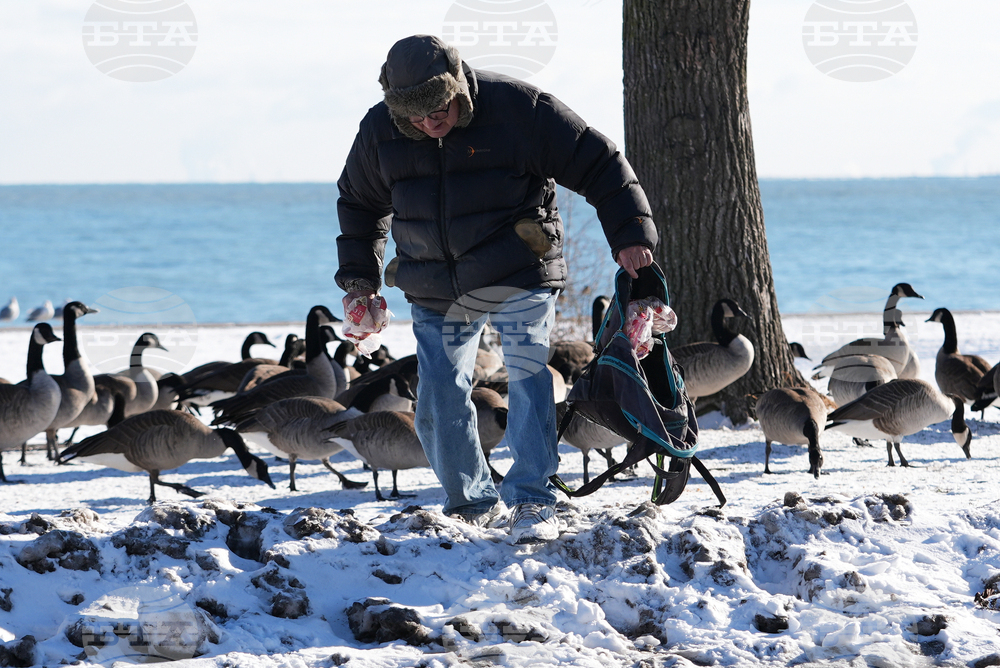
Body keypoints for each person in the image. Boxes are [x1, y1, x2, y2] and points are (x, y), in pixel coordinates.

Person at [335, 35, 656, 544]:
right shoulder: (380, 131)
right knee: (439, 396)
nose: (429, 123)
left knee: (528, 375)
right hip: (435, 282)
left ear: (457, 85)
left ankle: (532, 497)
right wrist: (360, 282)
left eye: (438, 109)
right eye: (414, 117)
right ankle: (469, 501)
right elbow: (358, 205)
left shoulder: (519, 110)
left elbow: (600, 164)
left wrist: (631, 236)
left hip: (519, 270)